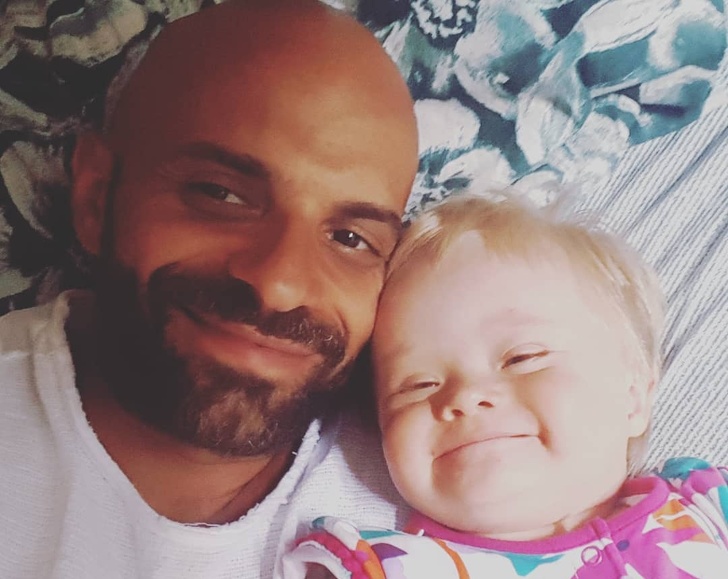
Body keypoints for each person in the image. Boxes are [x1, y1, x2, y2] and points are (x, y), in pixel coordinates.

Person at [0, 1, 419, 577]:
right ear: (97, 197)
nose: (279, 285)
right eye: (221, 194)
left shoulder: (466, 461)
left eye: (350, 238)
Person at [283, 192, 728, 578]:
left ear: (633, 397)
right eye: (418, 384)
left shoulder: (710, 507)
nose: (464, 396)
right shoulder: (387, 566)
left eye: (522, 359)